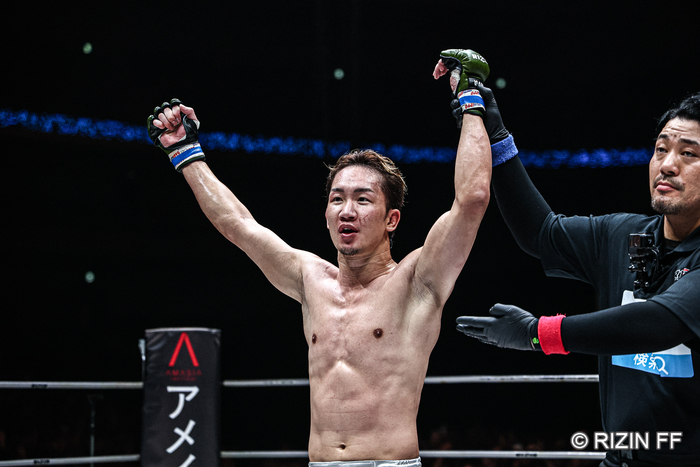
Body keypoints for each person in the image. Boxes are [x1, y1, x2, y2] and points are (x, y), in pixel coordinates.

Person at [146, 49, 492, 465]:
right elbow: (237, 224)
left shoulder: (418, 281)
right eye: (337, 199)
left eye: (363, 199)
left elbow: (472, 199)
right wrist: (184, 150)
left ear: (391, 219)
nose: (347, 210)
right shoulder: (310, 279)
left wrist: (470, 101)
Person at [455, 89, 700, 466]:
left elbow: (658, 322)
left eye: (688, 154)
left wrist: (537, 333)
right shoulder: (622, 235)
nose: (667, 165)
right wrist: (497, 138)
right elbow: (540, 233)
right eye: (661, 149)